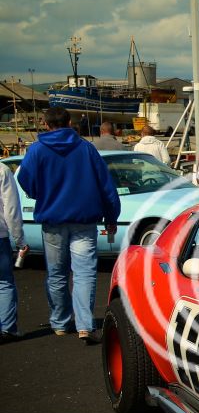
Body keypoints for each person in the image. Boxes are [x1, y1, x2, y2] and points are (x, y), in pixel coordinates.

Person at [16, 106, 120, 342]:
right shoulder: (86, 148)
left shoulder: (37, 150)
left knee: (57, 273)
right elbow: (106, 186)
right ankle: (84, 325)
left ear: (45, 124)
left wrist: (38, 193)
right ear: (70, 122)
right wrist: (111, 217)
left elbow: (24, 178)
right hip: (84, 221)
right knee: (84, 274)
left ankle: (60, 322)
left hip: (53, 220)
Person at [0, 162, 26, 342]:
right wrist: (19, 240)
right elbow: (11, 209)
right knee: (4, 282)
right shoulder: (2, 170)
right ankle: (8, 328)